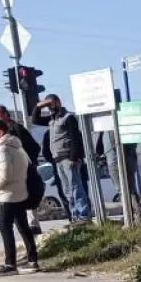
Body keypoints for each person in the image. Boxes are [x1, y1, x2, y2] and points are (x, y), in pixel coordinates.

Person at [0, 118, 38, 276]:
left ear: (0, 132)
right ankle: (32, 260)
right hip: (20, 191)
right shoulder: (17, 146)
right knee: (23, 226)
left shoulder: (3, 149)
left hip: (8, 195)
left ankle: (10, 264)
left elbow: (5, 174)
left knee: (5, 228)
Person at [31, 93, 90, 223]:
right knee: (67, 190)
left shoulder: (68, 118)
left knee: (76, 188)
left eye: (51, 103)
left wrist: (74, 157)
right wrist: (39, 106)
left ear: (58, 102)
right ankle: (75, 216)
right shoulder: (52, 120)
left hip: (68, 158)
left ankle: (83, 215)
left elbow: (75, 138)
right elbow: (35, 120)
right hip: (58, 160)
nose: (49, 106)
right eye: (47, 105)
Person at [0, 104, 43, 233]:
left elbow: (34, 148)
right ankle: (28, 228)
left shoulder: (16, 129)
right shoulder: (1, 133)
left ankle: (33, 225)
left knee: (27, 194)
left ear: (5, 114)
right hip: (12, 174)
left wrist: (25, 163)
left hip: (23, 170)